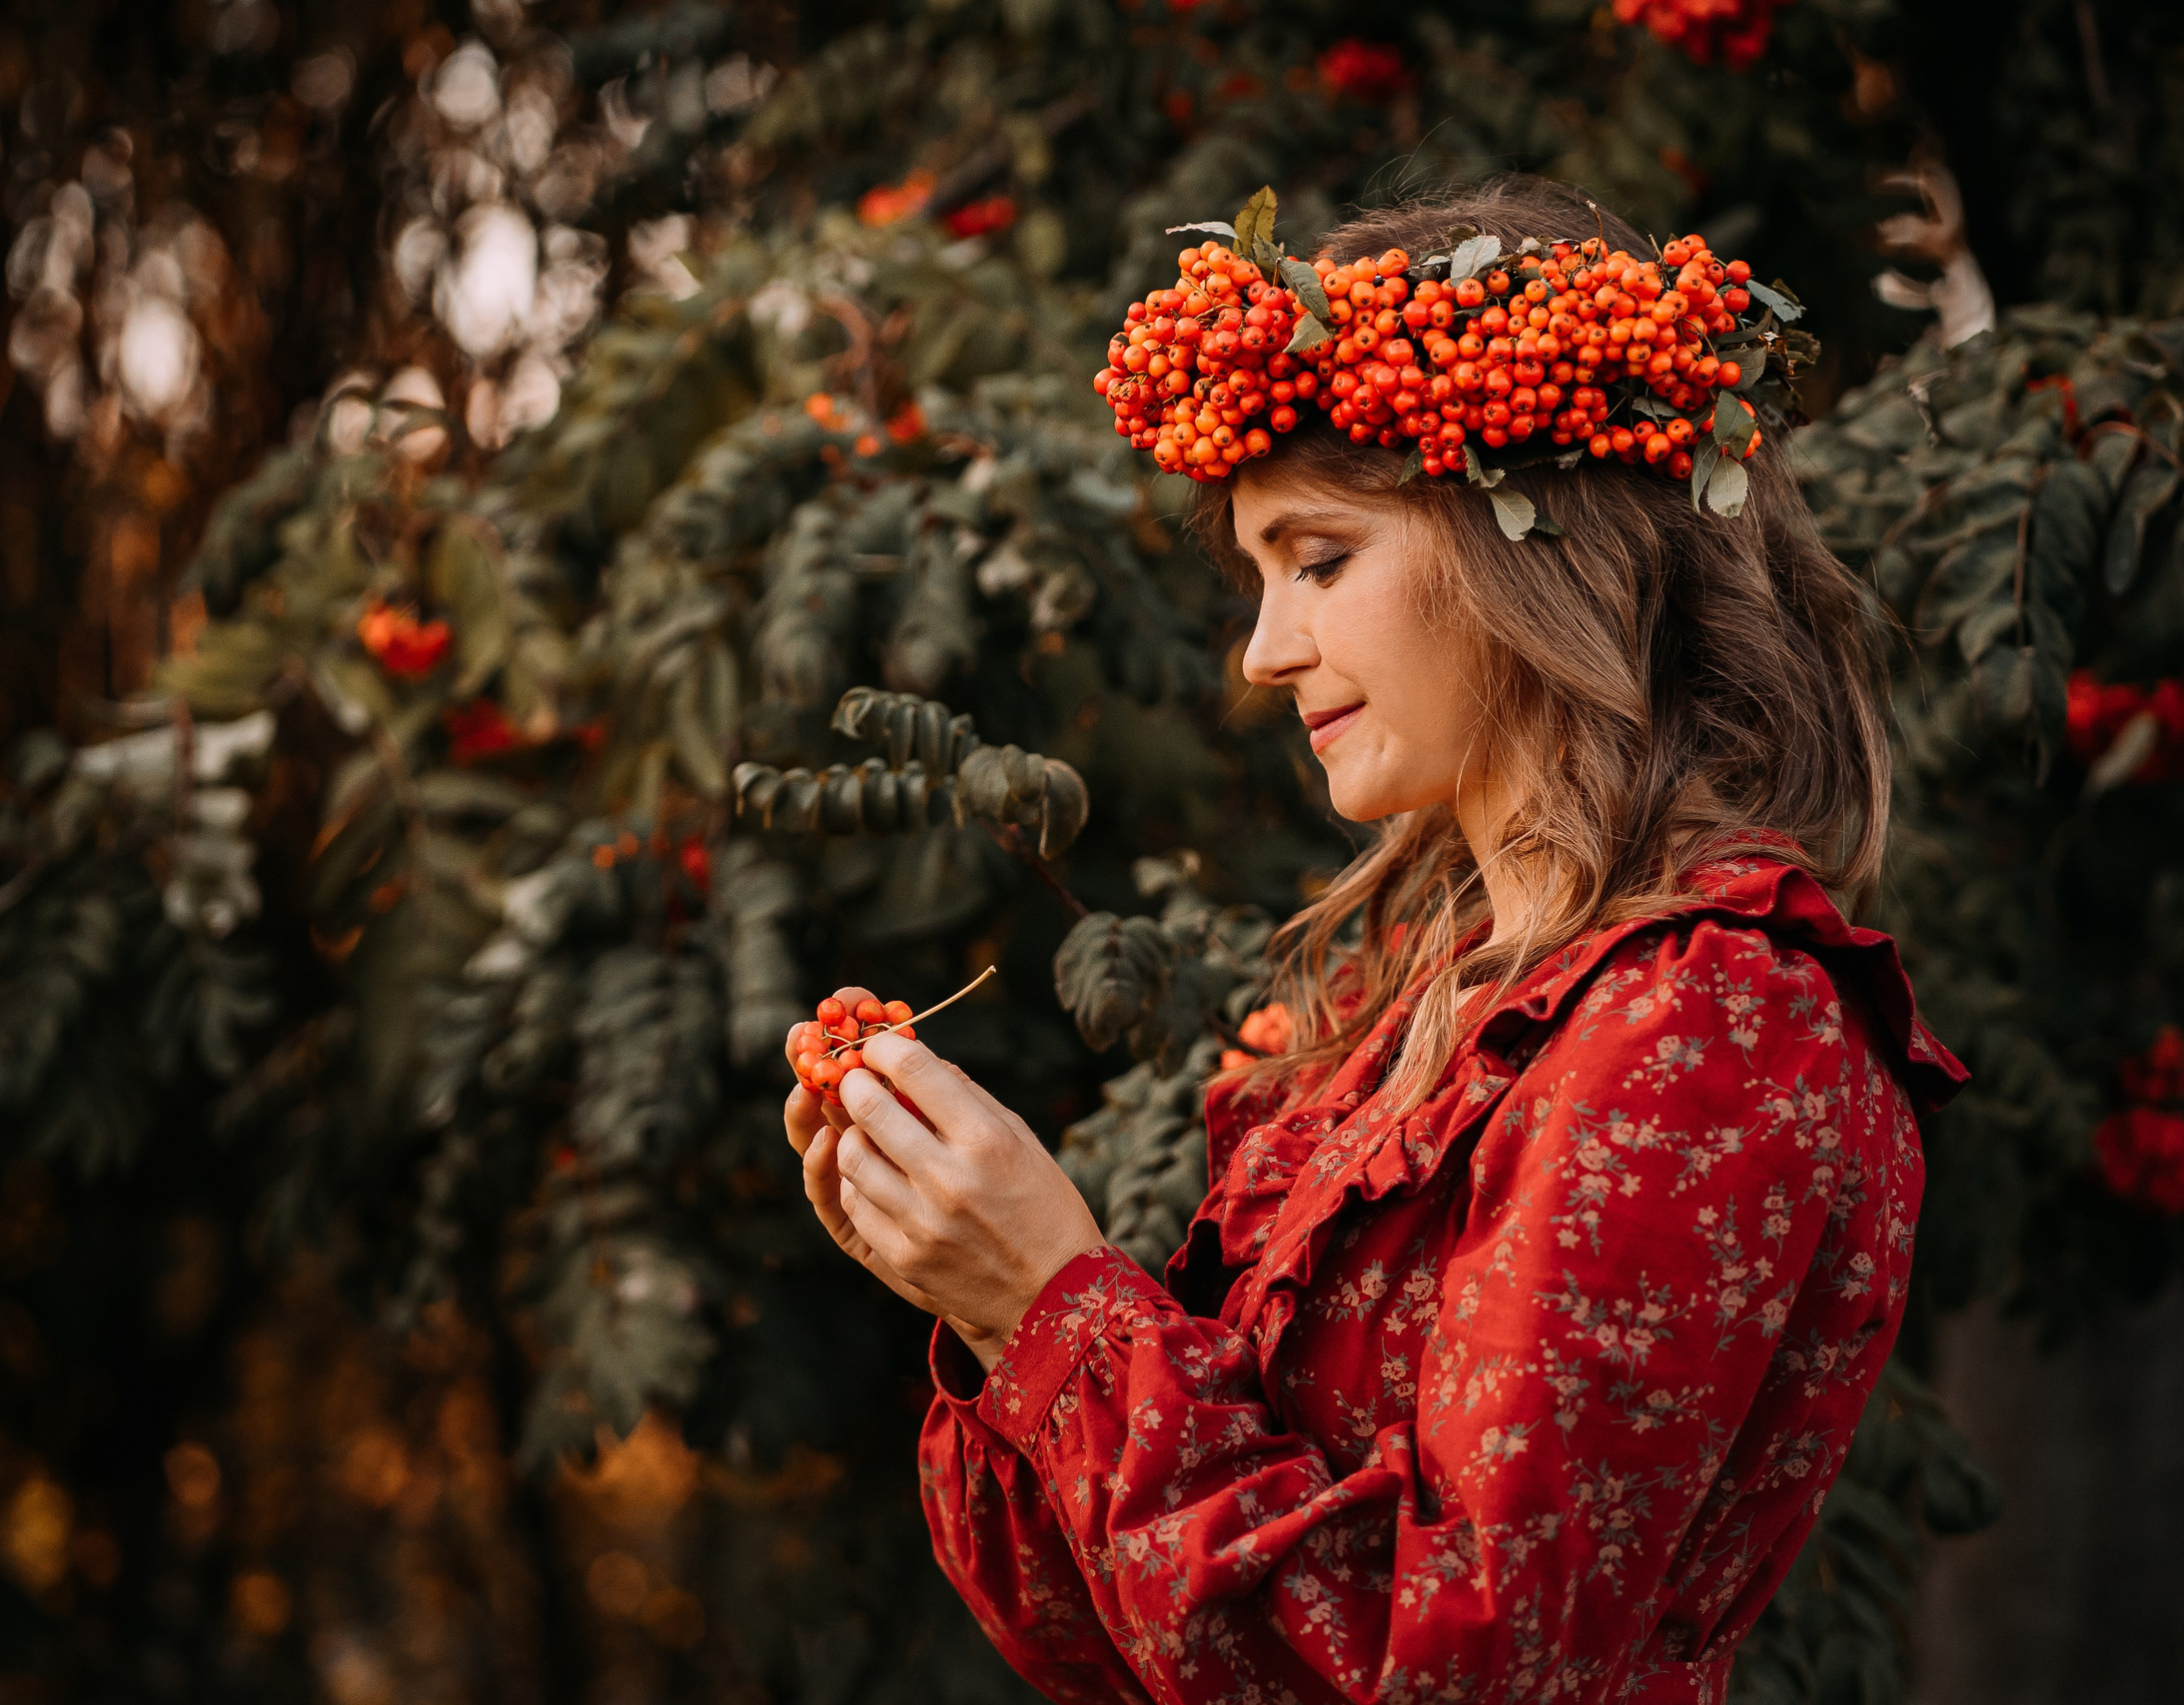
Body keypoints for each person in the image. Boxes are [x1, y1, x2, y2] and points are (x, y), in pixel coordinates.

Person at [780, 177, 1966, 1705]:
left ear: (1533, 545)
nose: (1267, 652)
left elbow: (1465, 1677)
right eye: (1261, 577)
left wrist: (1051, 1300)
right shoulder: (1406, 1018)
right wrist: (981, 1293)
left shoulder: (1711, 1023)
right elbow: (1110, 1637)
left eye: (1320, 558)